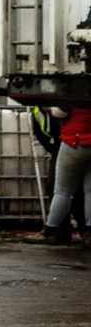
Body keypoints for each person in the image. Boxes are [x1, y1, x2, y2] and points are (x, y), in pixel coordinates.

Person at [40, 103, 91, 244]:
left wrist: (50, 109)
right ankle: (89, 233)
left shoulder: (77, 85)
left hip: (75, 140)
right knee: (90, 191)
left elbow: (61, 112)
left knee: (63, 191)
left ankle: (51, 230)